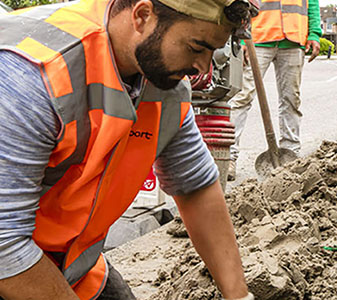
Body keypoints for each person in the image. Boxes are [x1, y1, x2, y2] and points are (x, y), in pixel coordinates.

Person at [0, 0, 257, 299]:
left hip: (71, 265)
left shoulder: (163, 82)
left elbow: (195, 186)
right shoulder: (30, 77)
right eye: (196, 47)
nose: (204, 67)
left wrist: (239, 296)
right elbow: (5, 245)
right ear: (142, 16)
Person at [226, 0, 322, 181]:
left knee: (291, 100)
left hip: (294, 39)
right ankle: (229, 156)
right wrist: (241, 34)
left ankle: (291, 154)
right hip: (259, 38)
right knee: (242, 97)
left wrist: (315, 33)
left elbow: (313, 4)